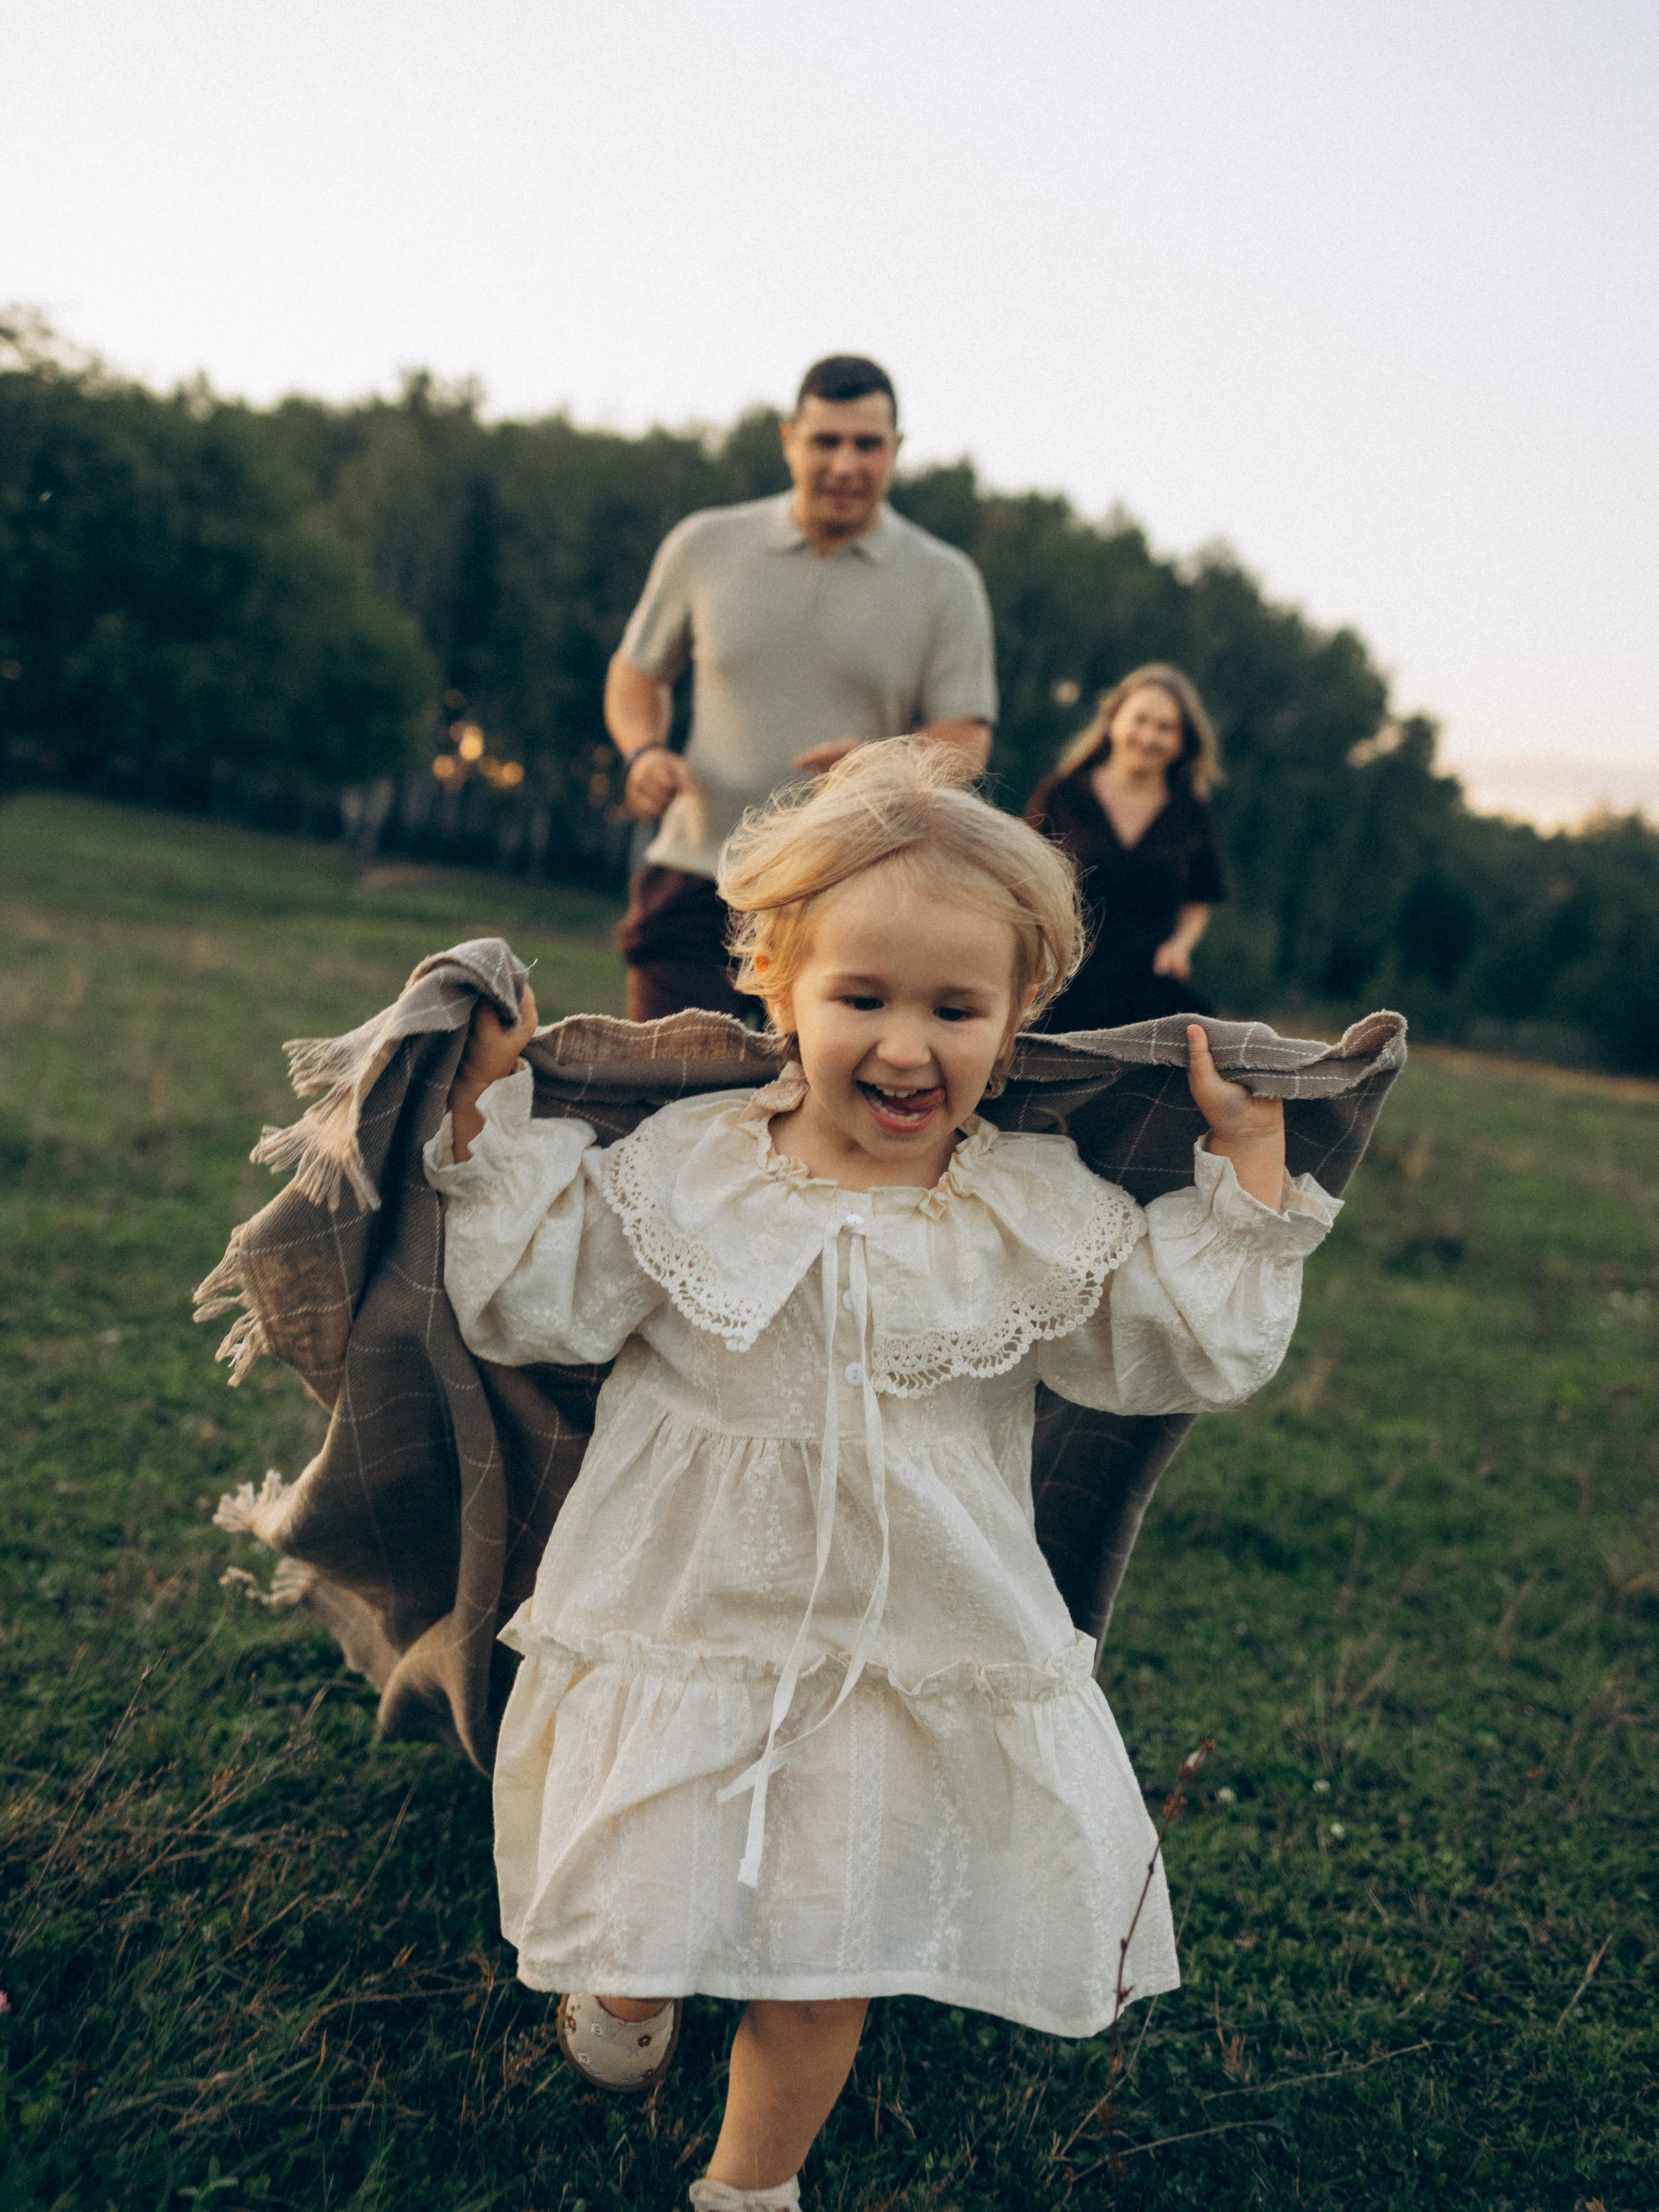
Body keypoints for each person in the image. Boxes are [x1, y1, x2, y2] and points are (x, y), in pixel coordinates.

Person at [424, 739, 1339, 2211]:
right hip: (682, 1609)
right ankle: (630, 1986)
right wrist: (482, 1126)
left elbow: (1169, 1339)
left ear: (1015, 1017)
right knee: (642, 1898)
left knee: (821, 1953)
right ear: (776, 981)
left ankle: (750, 2188)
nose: (907, 1047)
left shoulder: (1029, 1208)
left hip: (899, 1642)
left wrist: (1243, 1177)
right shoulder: (693, 1166)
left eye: (953, 1008)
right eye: (863, 997)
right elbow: (540, 1297)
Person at [604, 354, 997, 1021]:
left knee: (813, 1092)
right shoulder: (704, 544)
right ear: (789, 440)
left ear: (896, 450)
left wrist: (881, 770)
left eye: (868, 445)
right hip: (699, 878)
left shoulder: (945, 581)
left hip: (853, 896)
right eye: (826, 441)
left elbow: (964, 737)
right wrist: (643, 752)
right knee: (664, 1082)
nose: (846, 465)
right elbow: (637, 672)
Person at [1025, 662, 1228, 1032]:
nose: (1149, 737)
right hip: (1062, 985)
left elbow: (1199, 899)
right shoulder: (1060, 795)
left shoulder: (1192, 813)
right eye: (1140, 720)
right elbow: (1020, 884)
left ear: (1182, 741)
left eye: (1165, 727)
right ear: (1113, 721)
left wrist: (1180, 946)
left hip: (1148, 991)